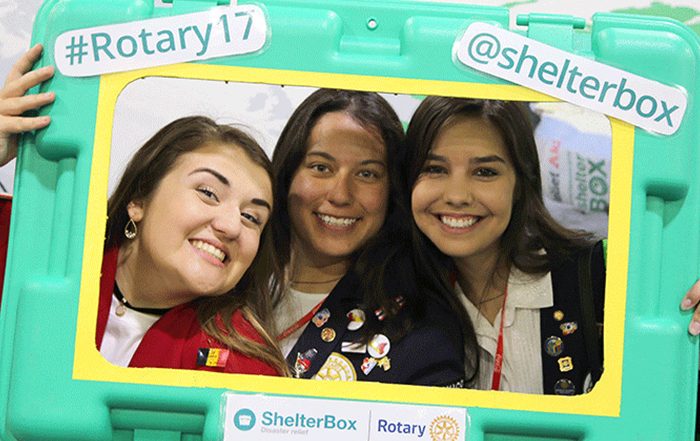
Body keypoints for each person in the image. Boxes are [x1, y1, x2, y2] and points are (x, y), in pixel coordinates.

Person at [0, 47, 287, 375]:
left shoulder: (247, 368)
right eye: (209, 193)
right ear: (138, 201)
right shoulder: (21, 246)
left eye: (252, 218)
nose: (231, 225)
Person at [268, 88, 474, 385]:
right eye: (321, 167)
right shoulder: (229, 286)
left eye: (367, 174)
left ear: (392, 193)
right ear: (287, 174)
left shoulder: (419, 332)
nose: (340, 195)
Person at [405, 96, 606, 395]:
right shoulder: (389, 295)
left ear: (521, 184)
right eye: (435, 169)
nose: (458, 196)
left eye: (485, 172)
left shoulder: (598, 274)